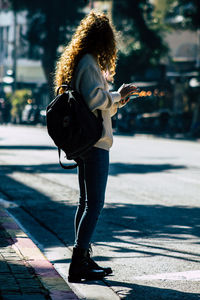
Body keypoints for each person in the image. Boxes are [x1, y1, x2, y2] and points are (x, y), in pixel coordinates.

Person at [54, 11, 138, 283]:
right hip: (95, 144)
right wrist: (117, 94)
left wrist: (118, 100)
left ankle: (83, 257)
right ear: (103, 39)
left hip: (88, 140)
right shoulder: (89, 63)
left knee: (85, 202)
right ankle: (79, 261)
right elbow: (95, 100)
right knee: (95, 203)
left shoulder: (83, 62)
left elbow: (100, 105)